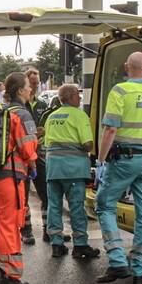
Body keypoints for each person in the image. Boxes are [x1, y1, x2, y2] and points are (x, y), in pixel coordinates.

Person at [94, 51, 142, 284]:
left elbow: (110, 130)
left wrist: (101, 161)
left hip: (123, 160)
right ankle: (139, 269)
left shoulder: (120, 91)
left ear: (127, 66)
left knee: (104, 205)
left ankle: (117, 260)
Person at [0, 72, 38, 284]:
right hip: (9, 178)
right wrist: (34, 163)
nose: (31, 89)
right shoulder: (22, 115)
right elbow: (27, 149)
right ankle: (10, 276)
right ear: (20, 90)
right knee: (10, 224)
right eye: (27, 86)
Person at [44, 84, 101, 260]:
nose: (79, 98)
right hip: (73, 169)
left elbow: (47, 142)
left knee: (54, 205)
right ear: (70, 97)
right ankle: (80, 245)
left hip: (53, 168)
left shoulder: (51, 117)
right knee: (76, 206)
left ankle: (56, 244)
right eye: (77, 95)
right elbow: (87, 144)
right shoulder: (79, 115)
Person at [20, 67, 49, 245]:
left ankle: (48, 229)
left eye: (37, 83)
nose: (35, 86)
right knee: (22, 196)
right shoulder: (18, 106)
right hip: (23, 157)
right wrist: (33, 135)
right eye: (32, 83)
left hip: (39, 155)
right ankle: (26, 230)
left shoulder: (43, 105)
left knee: (46, 194)